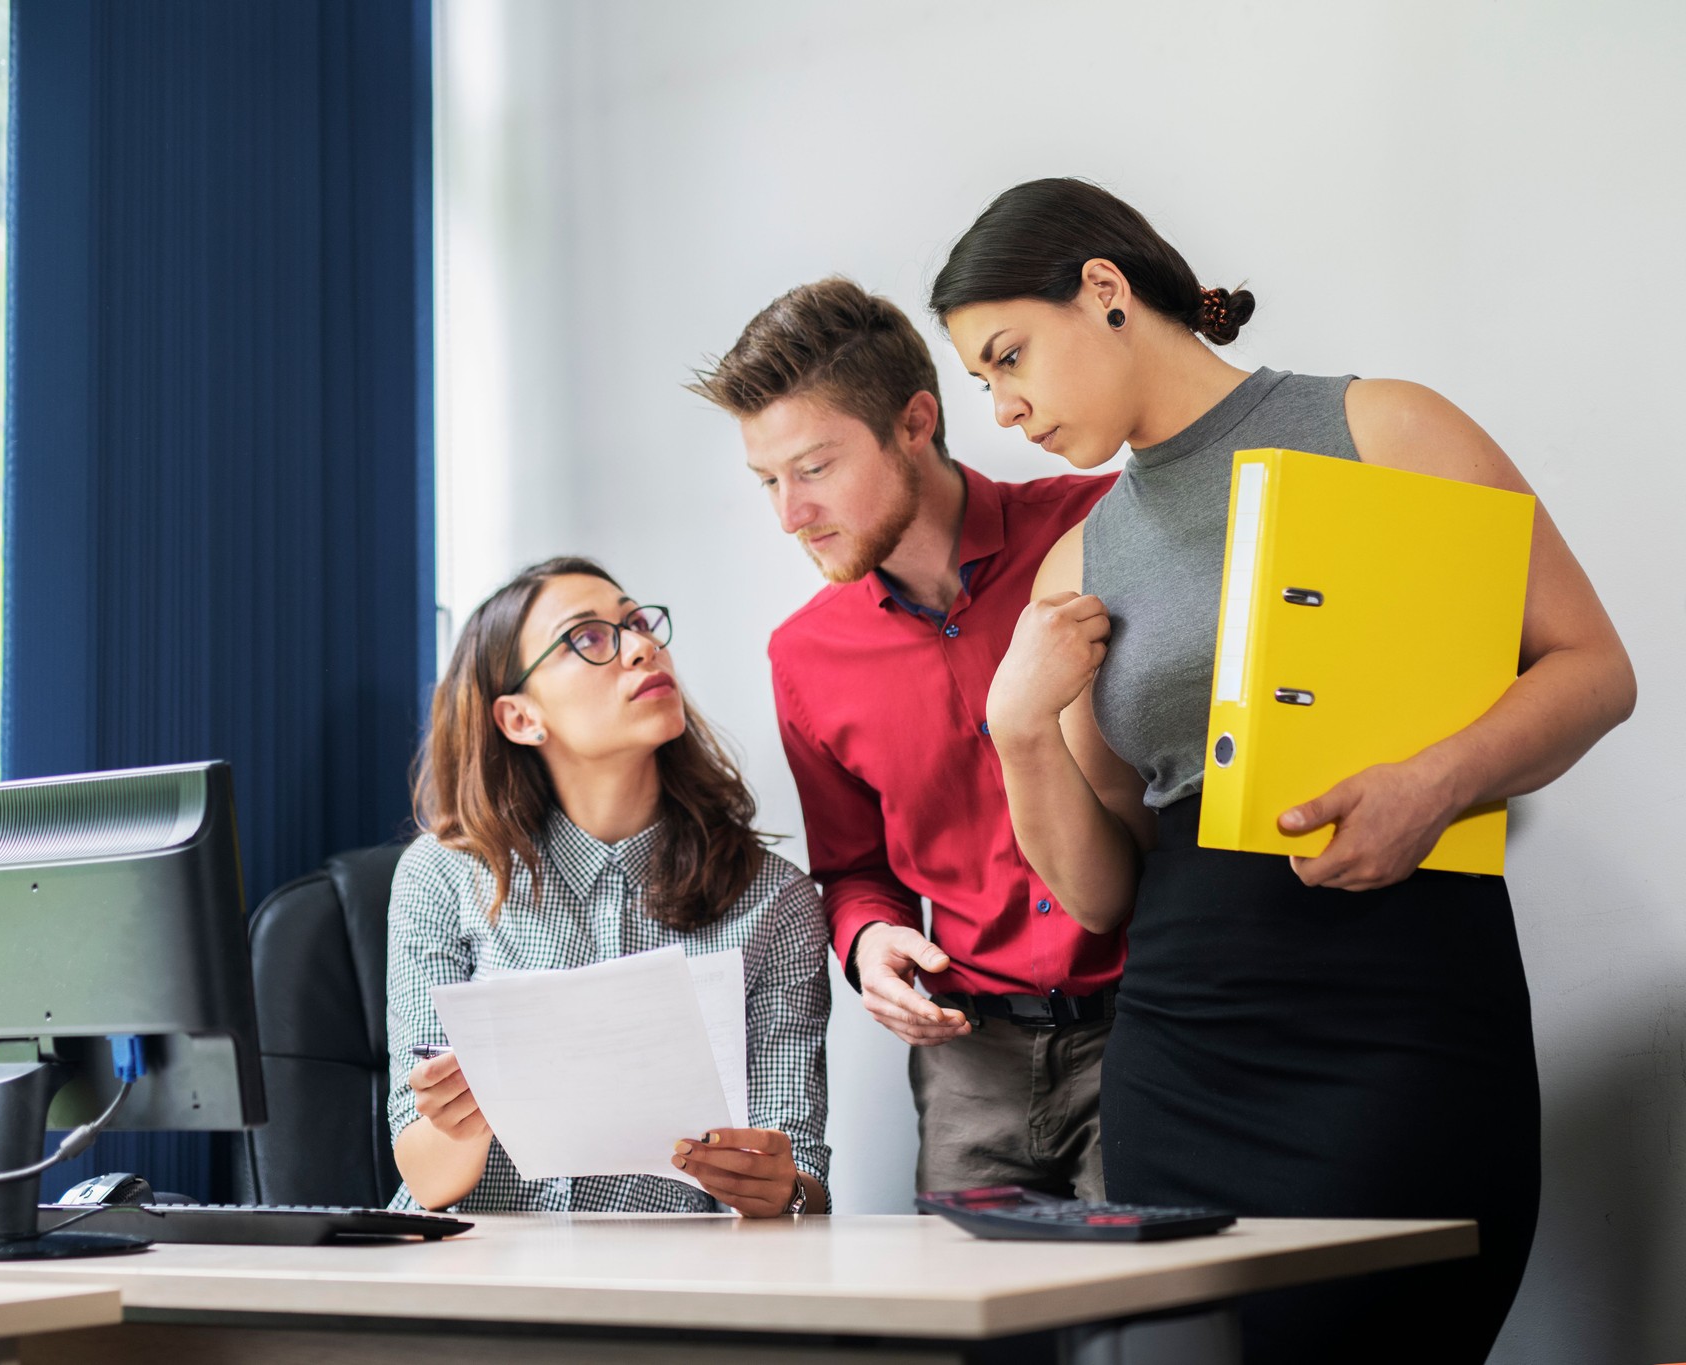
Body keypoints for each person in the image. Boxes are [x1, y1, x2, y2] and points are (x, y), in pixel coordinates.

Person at [927, 177, 1636, 1362]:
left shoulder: (1385, 427)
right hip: (1186, 1046)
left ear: (1104, 291)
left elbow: (1592, 670)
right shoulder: (1074, 568)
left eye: (1009, 358)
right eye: (983, 385)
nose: (1004, 408)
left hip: (1403, 1014)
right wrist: (1013, 728)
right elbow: (1108, 892)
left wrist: (1436, 781)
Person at [690, 279, 1118, 1200]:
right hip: (970, 1069)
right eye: (768, 480)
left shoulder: (1104, 528)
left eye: (813, 468)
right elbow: (853, 868)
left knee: (1152, 1335)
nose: (788, 515)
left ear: (916, 420)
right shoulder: (804, 655)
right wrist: (871, 937)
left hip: (1149, 1031)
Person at [384, 556, 831, 1217]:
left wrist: (781, 1187)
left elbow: (803, 1179)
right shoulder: (441, 875)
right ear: (519, 718)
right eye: (588, 638)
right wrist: (464, 1115)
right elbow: (425, 1179)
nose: (643, 646)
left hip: (671, 1288)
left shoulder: (775, 900)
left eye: (638, 624)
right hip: (472, 1271)